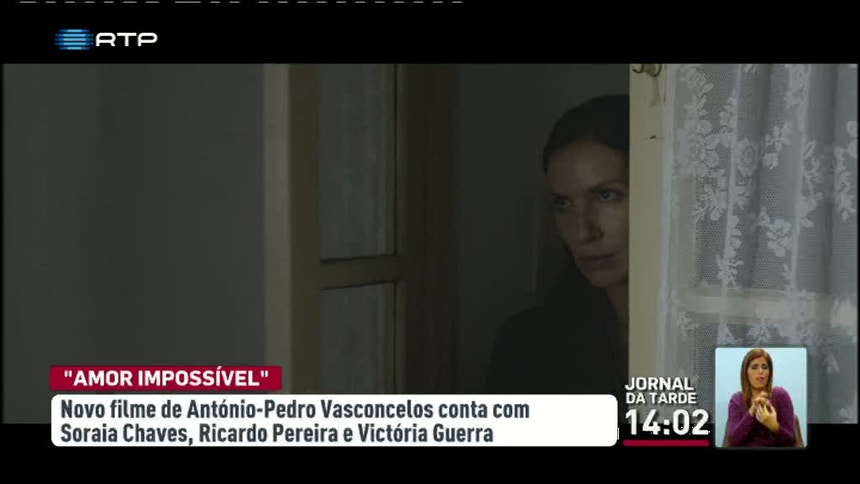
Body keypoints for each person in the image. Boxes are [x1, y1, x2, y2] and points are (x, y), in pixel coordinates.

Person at [485, 94, 630, 404]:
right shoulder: (527, 344)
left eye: (606, 195)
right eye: (563, 204)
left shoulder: (721, 333)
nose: (582, 232)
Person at [724, 348, 797, 447]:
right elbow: (733, 441)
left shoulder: (780, 395)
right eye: (754, 367)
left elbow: (791, 440)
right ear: (746, 372)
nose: (760, 371)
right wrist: (752, 412)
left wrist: (774, 426)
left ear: (769, 372)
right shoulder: (736, 399)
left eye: (764, 367)